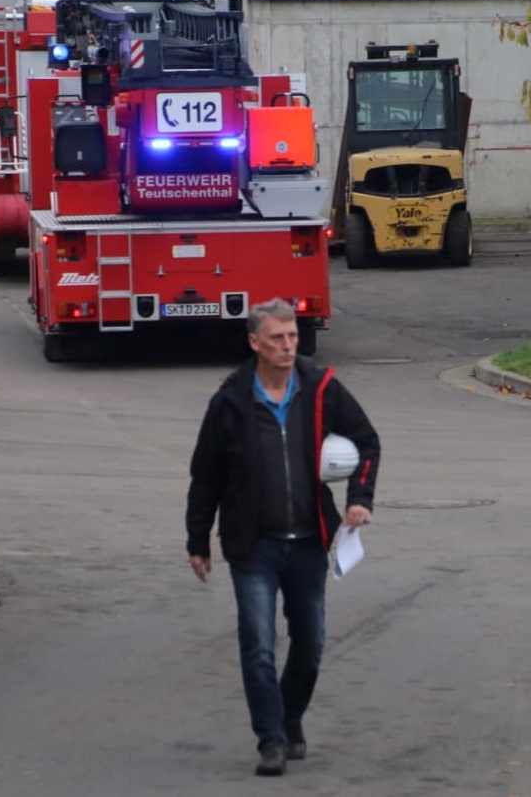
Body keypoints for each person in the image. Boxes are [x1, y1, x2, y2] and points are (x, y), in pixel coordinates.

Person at [186, 299, 380, 777]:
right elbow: (205, 475)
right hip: (253, 545)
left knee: (310, 643)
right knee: (257, 644)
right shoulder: (230, 399)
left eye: (292, 336)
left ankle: (289, 717)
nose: (289, 345)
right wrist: (197, 541)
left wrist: (360, 498)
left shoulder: (321, 388)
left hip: (310, 540)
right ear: (255, 342)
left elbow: (366, 441)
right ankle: (270, 740)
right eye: (278, 338)